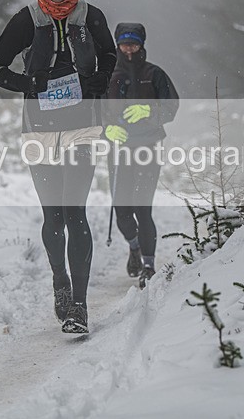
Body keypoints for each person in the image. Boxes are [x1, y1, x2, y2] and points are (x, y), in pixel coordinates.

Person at [0, 0, 116, 333]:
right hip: (39, 130)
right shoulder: (27, 19)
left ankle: (79, 306)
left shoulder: (90, 17)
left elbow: (110, 57)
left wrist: (99, 80)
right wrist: (29, 84)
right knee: (53, 216)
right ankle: (60, 283)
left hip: (82, 128)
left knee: (75, 213)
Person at [104, 22, 179, 288]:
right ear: (117, 45)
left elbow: (172, 106)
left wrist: (150, 111)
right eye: (125, 44)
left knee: (142, 207)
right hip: (118, 149)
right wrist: (107, 129)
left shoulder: (154, 74)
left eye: (134, 44)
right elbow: (95, 109)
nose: (129, 50)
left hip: (148, 147)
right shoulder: (108, 75)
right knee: (123, 211)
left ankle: (149, 265)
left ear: (142, 45)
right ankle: (134, 246)